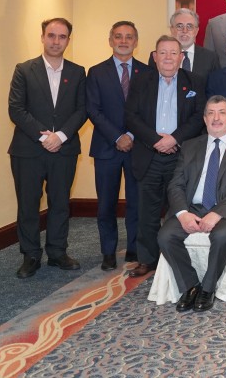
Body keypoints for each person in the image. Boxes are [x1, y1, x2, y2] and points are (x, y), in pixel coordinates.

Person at [157, 96, 226, 313]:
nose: (216, 118)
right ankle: (191, 286)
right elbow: (176, 184)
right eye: (211, 113)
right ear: (204, 119)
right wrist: (182, 213)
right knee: (165, 236)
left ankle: (208, 288)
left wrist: (217, 213)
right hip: (193, 208)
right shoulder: (190, 146)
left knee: (221, 236)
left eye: (222, 112)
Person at [8, 18, 88, 278]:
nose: (56, 41)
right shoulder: (24, 69)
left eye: (62, 37)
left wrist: (61, 136)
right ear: (42, 37)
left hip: (64, 149)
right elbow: (16, 109)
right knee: (28, 204)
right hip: (28, 150)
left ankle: (57, 252)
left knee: (60, 202)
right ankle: (31, 255)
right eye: (51, 35)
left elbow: (82, 109)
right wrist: (44, 137)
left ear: (68, 40)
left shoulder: (78, 72)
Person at [126, 35, 205, 277]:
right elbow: (131, 116)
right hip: (148, 154)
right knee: (147, 211)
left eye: (173, 53)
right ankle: (147, 259)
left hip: (180, 156)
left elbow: (198, 117)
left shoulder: (195, 81)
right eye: (163, 53)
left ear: (181, 57)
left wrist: (174, 139)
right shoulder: (141, 81)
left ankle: (174, 258)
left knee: (178, 209)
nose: (168, 58)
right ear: (154, 56)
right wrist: (156, 140)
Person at [86, 20, 148, 270]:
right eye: (119, 36)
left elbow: (148, 110)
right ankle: (108, 252)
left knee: (136, 202)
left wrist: (130, 135)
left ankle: (134, 248)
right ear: (110, 40)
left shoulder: (147, 72)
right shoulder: (96, 72)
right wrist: (117, 137)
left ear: (136, 41)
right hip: (106, 147)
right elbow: (93, 110)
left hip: (137, 147)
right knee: (106, 204)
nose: (124, 41)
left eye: (129, 37)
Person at [164, 8, 220, 87]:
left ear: (196, 31)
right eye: (179, 26)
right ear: (172, 30)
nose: (185, 30)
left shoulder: (211, 58)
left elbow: (216, 88)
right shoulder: (160, 57)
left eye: (189, 26)